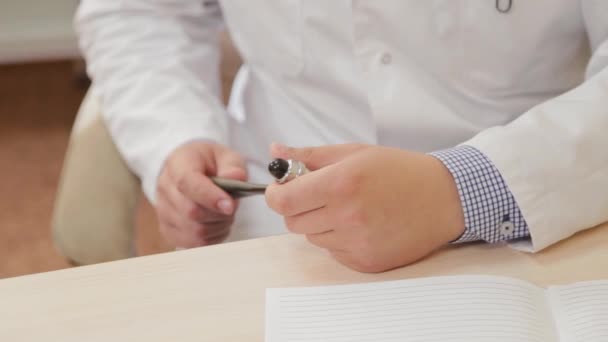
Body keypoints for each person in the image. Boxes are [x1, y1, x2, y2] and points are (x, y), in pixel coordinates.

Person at [72, 0, 608, 272]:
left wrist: (465, 189)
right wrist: (178, 135)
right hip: (277, 224)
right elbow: (141, 12)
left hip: (541, 207)